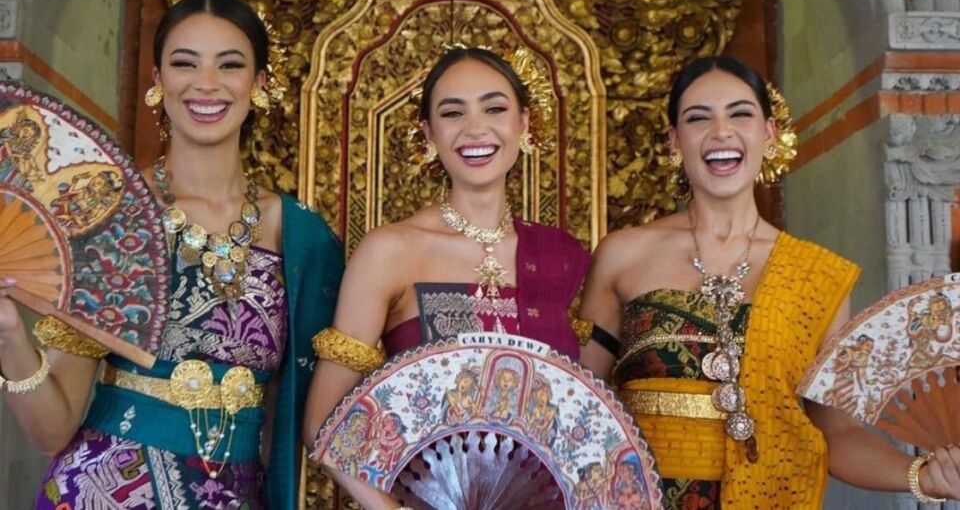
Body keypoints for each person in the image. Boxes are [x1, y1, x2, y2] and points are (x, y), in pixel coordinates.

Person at [0, 0, 342, 509]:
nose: (206, 83)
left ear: (261, 83)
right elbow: (52, 431)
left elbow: (295, 420)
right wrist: (7, 336)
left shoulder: (301, 236)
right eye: (184, 64)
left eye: (230, 64)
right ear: (158, 81)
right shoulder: (112, 218)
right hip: (104, 492)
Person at [578, 56, 960, 508]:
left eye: (740, 114)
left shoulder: (816, 277)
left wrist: (920, 475)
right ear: (674, 141)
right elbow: (581, 407)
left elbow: (834, 431)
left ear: (769, 132)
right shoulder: (624, 254)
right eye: (699, 118)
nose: (721, 131)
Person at [303, 46, 604, 507]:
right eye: (453, 112)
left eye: (495, 108)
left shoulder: (559, 257)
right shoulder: (391, 251)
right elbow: (323, 420)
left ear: (523, 123)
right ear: (429, 132)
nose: (475, 128)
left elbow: (580, 421)